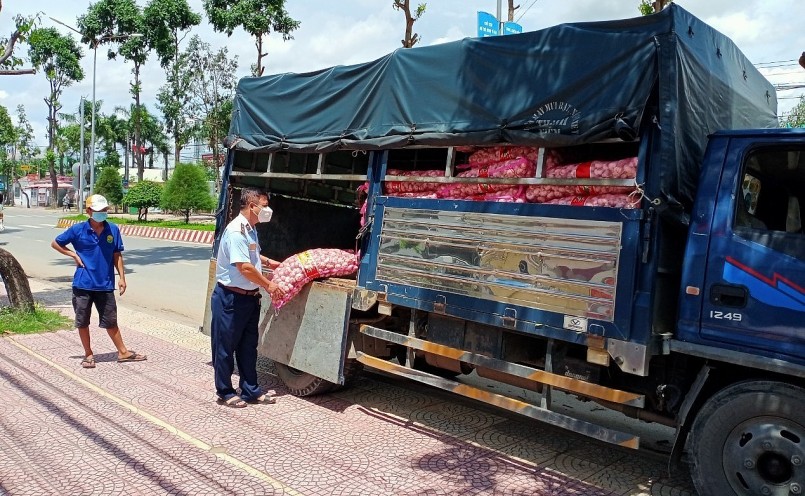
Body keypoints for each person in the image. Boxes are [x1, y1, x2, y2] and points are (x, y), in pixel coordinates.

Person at [51, 194, 146, 369]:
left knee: (111, 320)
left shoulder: (113, 230)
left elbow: (117, 254)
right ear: (88, 211)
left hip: (105, 284)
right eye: (97, 210)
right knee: (83, 321)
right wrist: (73, 255)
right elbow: (56, 243)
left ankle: (123, 352)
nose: (102, 213)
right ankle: (88, 354)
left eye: (104, 210)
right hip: (83, 284)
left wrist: (122, 278)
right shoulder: (77, 230)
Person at [211, 187, 285, 408]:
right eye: (264, 205)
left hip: (249, 298)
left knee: (248, 347)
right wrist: (269, 285)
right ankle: (224, 391)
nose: (267, 209)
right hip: (230, 298)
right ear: (252, 206)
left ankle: (250, 389)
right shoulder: (236, 231)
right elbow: (243, 267)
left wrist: (268, 261)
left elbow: (250, 254)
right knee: (225, 347)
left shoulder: (250, 229)